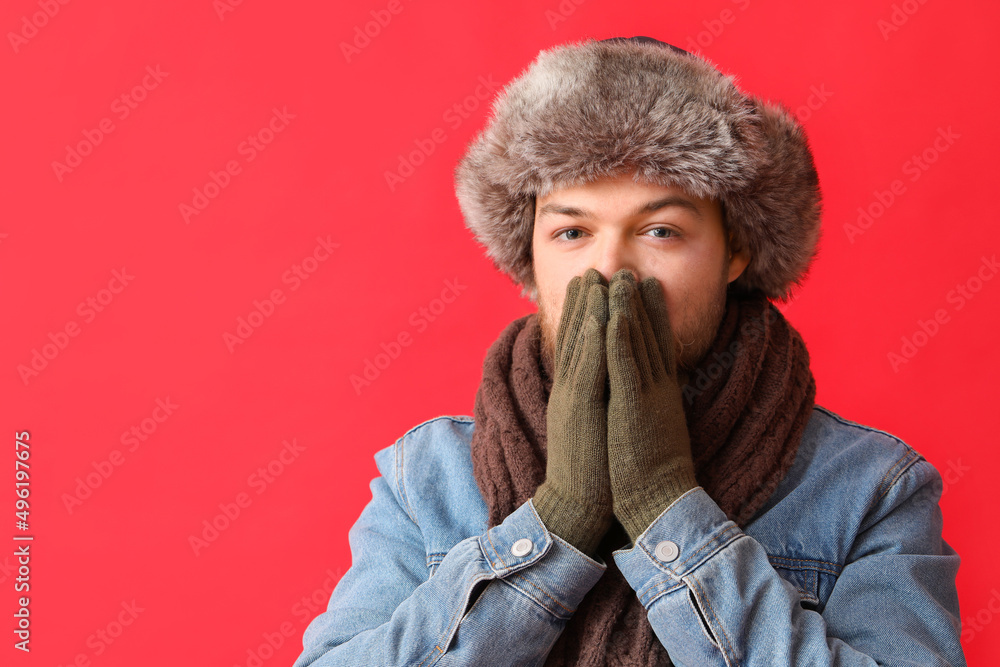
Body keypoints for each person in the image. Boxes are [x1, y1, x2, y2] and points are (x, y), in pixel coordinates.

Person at [294, 36, 966, 666]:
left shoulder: (871, 488)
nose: (611, 269)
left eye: (661, 230)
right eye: (572, 231)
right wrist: (556, 525)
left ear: (735, 251)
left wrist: (669, 510)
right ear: (526, 253)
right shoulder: (427, 478)